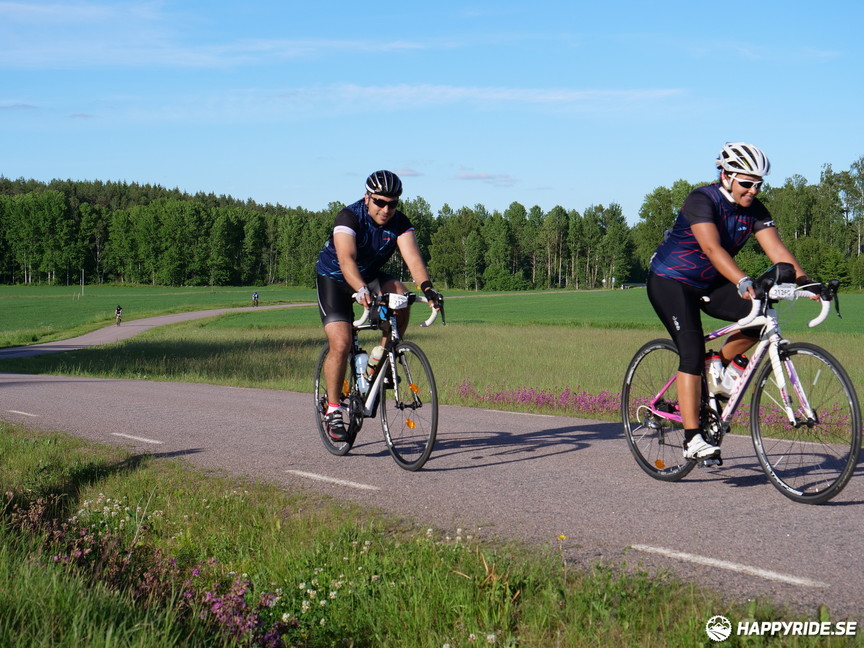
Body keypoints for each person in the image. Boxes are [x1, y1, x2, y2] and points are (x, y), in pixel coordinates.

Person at [647, 142, 813, 461]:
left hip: (709, 281)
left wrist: (807, 281)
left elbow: (777, 251)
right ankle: (692, 439)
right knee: (691, 350)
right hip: (671, 281)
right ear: (726, 176)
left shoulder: (754, 209)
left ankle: (720, 364)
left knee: (759, 317)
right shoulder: (702, 200)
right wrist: (741, 279)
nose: (753, 190)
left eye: (759, 184)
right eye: (747, 183)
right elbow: (712, 249)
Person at [315, 170, 443, 441]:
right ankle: (333, 409)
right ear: (367, 198)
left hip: (370, 276)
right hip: (335, 278)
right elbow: (347, 259)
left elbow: (413, 259)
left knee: (401, 294)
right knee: (341, 342)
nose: (386, 209)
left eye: (392, 203)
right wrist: (360, 289)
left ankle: (382, 358)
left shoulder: (399, 223)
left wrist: (428, 289)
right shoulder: (349, 217)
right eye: (380, 202)